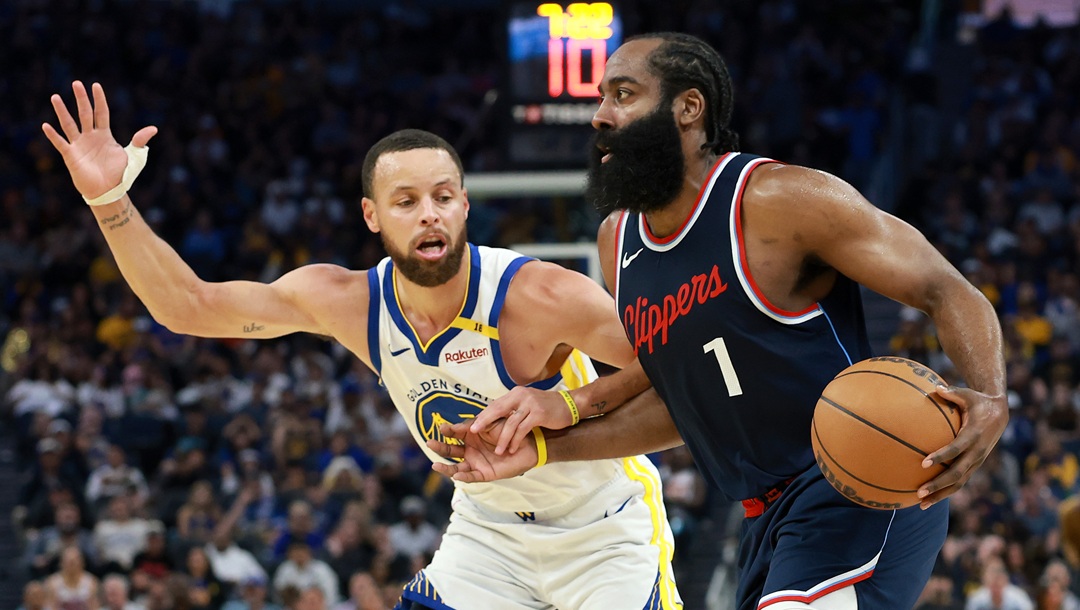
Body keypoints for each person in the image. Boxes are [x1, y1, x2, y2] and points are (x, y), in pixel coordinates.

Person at [43, 82, 682, 610]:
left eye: (442, 197)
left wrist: (571, 408)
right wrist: (110, 200)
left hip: (603, 531)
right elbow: (187, 308)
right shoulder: (347, 302)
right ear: (372, 216)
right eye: (405, 201)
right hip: (491, 536)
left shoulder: (541, 297)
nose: (428, 213)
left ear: (464, 206)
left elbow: (677, 371)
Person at [430, 33, 1009, 610]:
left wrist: (990, 394)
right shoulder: (618, 241)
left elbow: (945, 289)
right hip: (764, 516)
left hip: (857, 482)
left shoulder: (778, 201)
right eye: (602, 99)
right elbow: (684, 403)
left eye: (623, 95)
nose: (601, 116)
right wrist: (547, 444)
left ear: (688, 107)